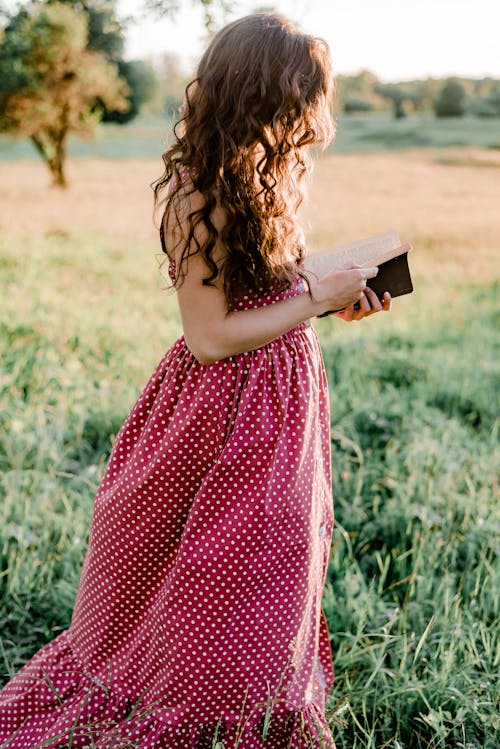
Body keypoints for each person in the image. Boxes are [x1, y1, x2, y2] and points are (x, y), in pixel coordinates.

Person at [0, 12, 391, 749]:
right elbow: (209, 336)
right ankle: (191, 714)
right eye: (307, 95)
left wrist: (336, 290)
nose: (317, 114)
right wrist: (313, 299)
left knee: (269, 573)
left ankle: (257, 709)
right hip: (219, 414)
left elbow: (267, 290)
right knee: (204, 573)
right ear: (264, 94)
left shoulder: (266, 176)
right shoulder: (197, 192)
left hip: (279, 407)